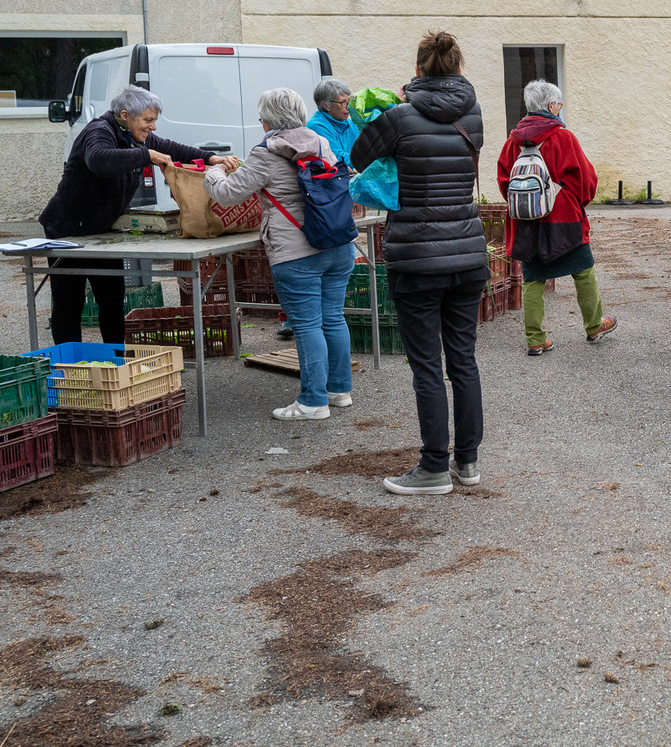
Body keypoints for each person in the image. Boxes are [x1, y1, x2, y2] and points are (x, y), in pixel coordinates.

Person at [351, 31, 488, 496]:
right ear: (458, 67)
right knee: (463, 361)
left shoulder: (399, 116)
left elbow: (357, 155)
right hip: (468, 253)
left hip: (416, 258)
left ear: (418, 68)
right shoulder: (473, 112)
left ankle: (433, 467)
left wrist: (393, 106)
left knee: (427, 366)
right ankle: (466, 463)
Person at [205, 89, 353, 421]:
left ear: (269, 120)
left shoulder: (266, 153)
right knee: (333, 318)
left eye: (261, 118)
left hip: (296, 252)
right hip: (337, 245)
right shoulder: (319, 142)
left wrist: (212, 173)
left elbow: (227, 195)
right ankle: (339, 391)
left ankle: (313, 402)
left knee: (308, 325)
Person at [39, 85, 225, 345]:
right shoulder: (99, 130)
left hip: (101, 231)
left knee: (112, 299)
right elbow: (100, 160)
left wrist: (210, 158)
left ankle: (116, 362)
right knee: (70, 302)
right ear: (125, 115)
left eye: (154, 121)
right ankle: (70, 367)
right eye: (148, 120)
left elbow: (171, 148)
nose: (153, 128)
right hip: (66, 230)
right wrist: (145, 155)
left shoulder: (135, 135)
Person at [498, 80, 617, 357]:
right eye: (558, 104)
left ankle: (535, 340)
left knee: (532, 279)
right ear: (551, 106)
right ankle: (594, 325)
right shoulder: (563, 138)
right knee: (583, 270)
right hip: (564, 219)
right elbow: (586, 181)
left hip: (525, 222)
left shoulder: (512, 141)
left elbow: (504, 181)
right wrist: (575, 203)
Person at [306, 78, 360, 166]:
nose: (348, 107)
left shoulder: (351, 124)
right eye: (343, 103)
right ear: (326, 105)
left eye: (349, 102)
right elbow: (336, 159)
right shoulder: (316, 126)